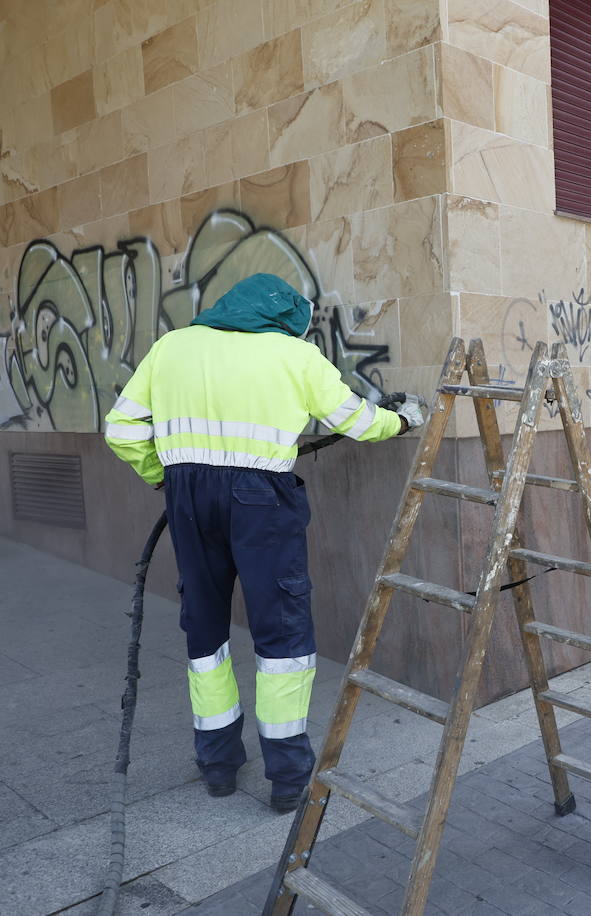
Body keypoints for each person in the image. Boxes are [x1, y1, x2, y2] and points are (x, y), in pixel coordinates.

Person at [104, 273, 426, 813]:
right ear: (287, 320)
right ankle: (286, 777)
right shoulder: (293, 356)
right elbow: (356, 420)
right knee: (282, 633)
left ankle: (218, 765)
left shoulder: (172, 347)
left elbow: (124, 430)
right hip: (261, 502)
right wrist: (402, 420)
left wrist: (162, 476)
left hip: (187, 498)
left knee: (204, 630)